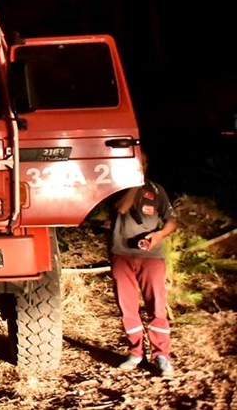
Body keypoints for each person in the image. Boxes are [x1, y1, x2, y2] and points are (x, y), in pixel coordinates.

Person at [109, 150, 178, 376]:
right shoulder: (116, 187)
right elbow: (121, 208)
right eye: (139, 161)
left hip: (152, 256)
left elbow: (171, 221)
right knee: (127, 307)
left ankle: (161, 355)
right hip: (122, 255)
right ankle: (136, 352)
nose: (143, 165)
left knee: (157, 306)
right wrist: (135, 184)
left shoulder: (158, 190)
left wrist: (158, 236)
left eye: (145, 162)